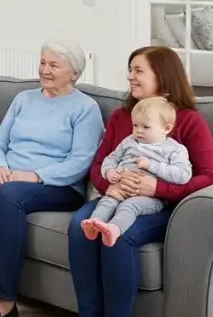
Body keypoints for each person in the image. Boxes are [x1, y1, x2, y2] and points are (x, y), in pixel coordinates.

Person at [58, 46, 213, 317]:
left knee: (118, 235)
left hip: (160, 207)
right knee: (80, 227)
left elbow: (210, 177)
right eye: (129, 69)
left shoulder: (188, 122)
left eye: (138, 70)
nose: (130, 76)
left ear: (163, 75)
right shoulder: (122, 117)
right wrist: (111, 185)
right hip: (118, 196)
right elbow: (100, 164)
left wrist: (158, 187)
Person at [0, 41, 104, 317]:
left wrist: (33, 175)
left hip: (57, 185)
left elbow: (80, 162)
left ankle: (4, 301)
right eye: (43, 63)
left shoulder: (86, 108)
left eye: (53, 65)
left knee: (8, 197)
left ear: (74, 73)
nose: (44, 70)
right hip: (10, 174)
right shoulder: (24, 98)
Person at [80, 97, 191, 247]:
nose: (138, 130)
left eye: (146, 127)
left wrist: (151, 165)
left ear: (166, 128)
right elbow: (110, 159)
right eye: (135, 125)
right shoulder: (129, 141)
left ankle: (113, 229)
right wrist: (109, 172)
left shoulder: (174, 149)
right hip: (119, 189)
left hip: (150, 198)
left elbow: (183, 174)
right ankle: (95, 225)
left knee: (129, 206)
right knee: (107, 201)